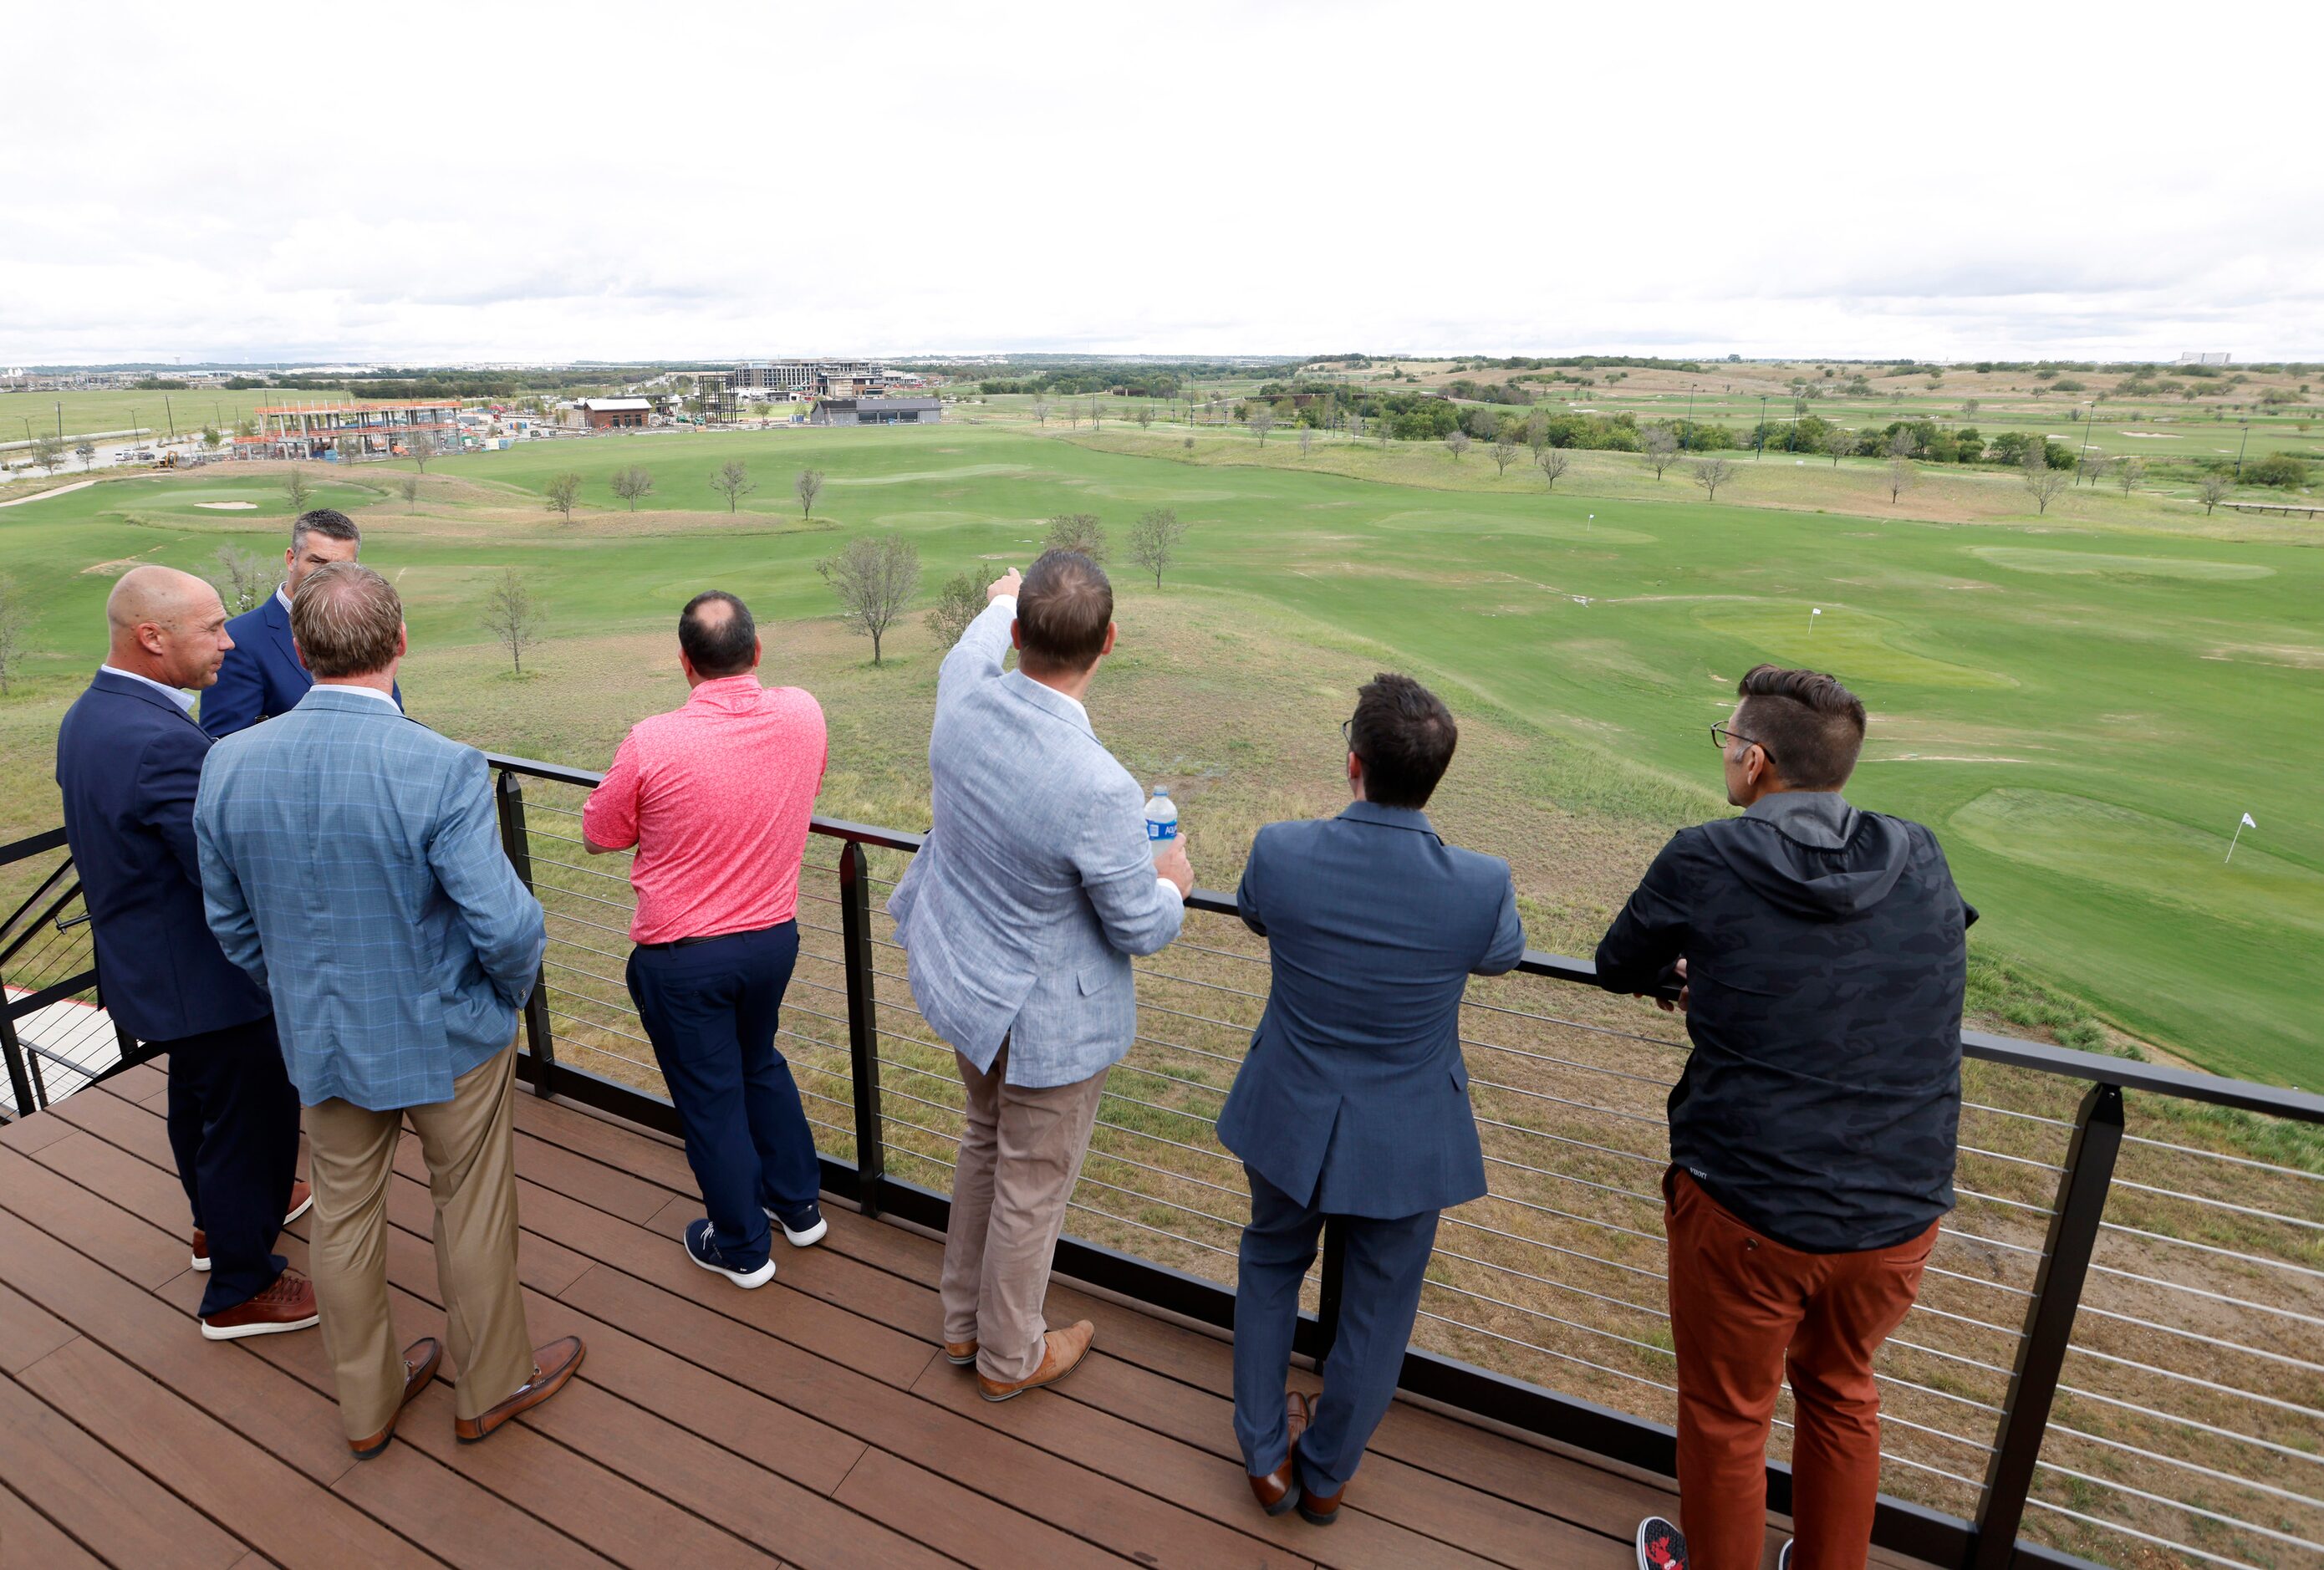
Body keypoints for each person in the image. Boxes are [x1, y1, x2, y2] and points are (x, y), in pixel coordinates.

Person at [195, 563, 580, 1460]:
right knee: (472, 1211)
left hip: (321, 1036)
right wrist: (502, 997)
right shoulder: (441, 766)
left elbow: (230, 923)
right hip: (449, 1035)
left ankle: (366, 1407)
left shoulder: (229, 763)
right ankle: (489, 1390)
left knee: (343, 1215)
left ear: (297, 650)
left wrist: (298, 988)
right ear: (400, 644)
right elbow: (507, 923)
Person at [1594, 665, 1976, 1570]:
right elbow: (1902, 949)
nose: (1724, 753)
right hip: (1897, 1215)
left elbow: (1618, 962)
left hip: (1748, 1207)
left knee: (1728, 1418)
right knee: (1842, 1393)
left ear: (1753, 760)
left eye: (1725, 740)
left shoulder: (1706, 855)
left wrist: (1703, 975)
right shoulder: (1916, 851)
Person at [1218, 674, 1523, 1527]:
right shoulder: (1477, 883)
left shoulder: (1279, 851)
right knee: (1379, 1309)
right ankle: (1325, 1476)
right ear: (1436, 777)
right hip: (1406, 1133)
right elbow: (1502, 954)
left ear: (1351, 761)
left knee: (1271, 1264)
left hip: (1287, 1110)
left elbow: (1253, 910)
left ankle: (1261, 1460)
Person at [888, 551, 1193, 1402]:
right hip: (1042, 1025)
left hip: (968, 989)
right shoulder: (1098, 785)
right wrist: (1170, 884)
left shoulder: (961, 696)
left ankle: (961, 1325)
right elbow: (1136, 925)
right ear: (1110, 643)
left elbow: (967, 648)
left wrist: (997, 598)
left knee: (983, 1141)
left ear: (1015, 632)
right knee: (1030, 1188)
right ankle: (1006, 1357)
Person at [54, 566, 315, 1342]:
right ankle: (241, 1284)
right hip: (210, 977)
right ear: (152, 637)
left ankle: (215, 1226)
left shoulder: (91, 715)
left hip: (148, 966)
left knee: (198, 1102)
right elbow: (225, 872)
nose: (229, 642)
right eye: (211, 628)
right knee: (252, 1121)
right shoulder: (159, 741)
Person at [581, 591, 830, 1288]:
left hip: (683, 959)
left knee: (712, 1102)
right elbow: (804, 783)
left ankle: (742, 1248)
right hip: (772, 940)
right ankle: (799, 1208)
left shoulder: (653, 739)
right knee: (759, 1064)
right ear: (756, 653)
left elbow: (600, 834)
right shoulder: (804, 712)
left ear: (686, 665)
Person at [201, 507, 400, 737]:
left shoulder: (370, 625)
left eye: (340, 565)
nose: (327, 574)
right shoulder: (239, 641)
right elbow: (226, 745)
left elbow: (392, 714)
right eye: (317, 561)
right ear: (291, 559)